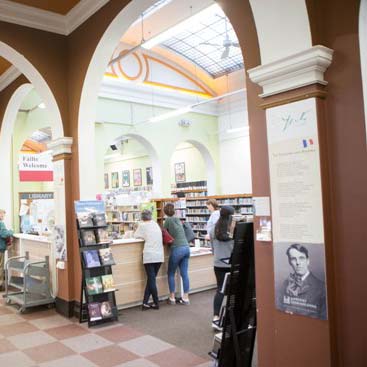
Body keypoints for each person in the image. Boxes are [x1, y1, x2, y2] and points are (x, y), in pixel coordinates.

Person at [277, 243, 327, 320]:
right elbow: (279, 311)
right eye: (293, 259)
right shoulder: (285, 284)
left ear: (308, 261)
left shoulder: (322, 287)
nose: (298, 263)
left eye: (301, 258)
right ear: (290, 262)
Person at [209, 206, 235, 330]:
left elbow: (213, 248)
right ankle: (233, 317)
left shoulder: (213, 229)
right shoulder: (234, 230)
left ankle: (215, 318)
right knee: (234, 291)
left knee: (220, 289)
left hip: (218, 264)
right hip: (232, 264)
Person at [134, 209, 164, 310]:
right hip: (159, 256)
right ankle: (145, 303)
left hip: (150, 255)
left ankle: (156, 303)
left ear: (142, 217)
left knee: (151, 280)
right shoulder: (155, 224)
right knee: (151, 280)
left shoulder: (142, 225)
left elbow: (136, 236)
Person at [163, 203, 190, 305]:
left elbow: (164, 233)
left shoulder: (168, 220)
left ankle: (172, 297)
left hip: (177, 248)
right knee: (184, 273)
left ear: (165, 211)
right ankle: (186, 298)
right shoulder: (178, 219)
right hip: (186, 248)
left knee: (171, 273)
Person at [0, 209, 13, 292]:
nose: (3, 216)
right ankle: (0, 285)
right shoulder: (1, 223)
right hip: (0, 248)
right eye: (3, 215)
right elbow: (4, 234)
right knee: (0, 267)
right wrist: (11, 231)